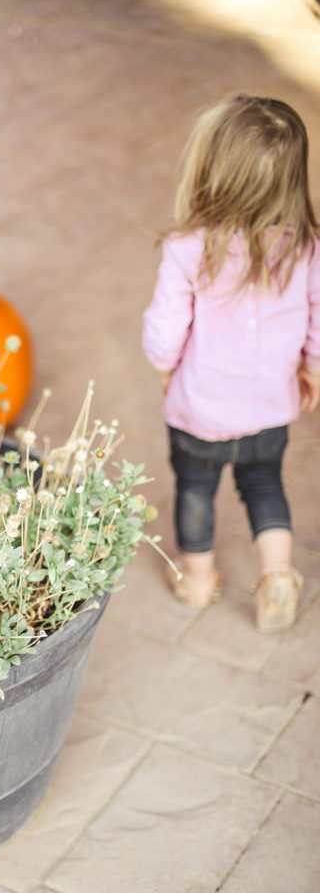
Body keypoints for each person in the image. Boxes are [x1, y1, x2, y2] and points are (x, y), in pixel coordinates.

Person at [142, 93, 320, 632]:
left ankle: (197, 581)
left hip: (199, 411)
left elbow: (163, 330)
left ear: (214, 171)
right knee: (264, 485)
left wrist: (165, 367)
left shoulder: (189, 247)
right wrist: (311, 369)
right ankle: (278, 575)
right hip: (269, 408)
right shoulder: (306, 249)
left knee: (195, 489)